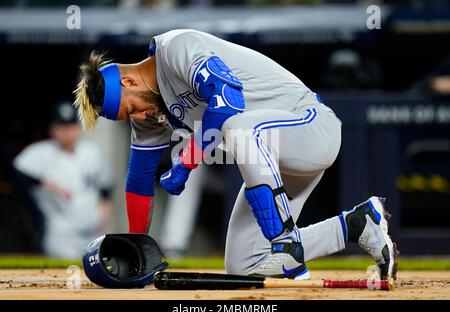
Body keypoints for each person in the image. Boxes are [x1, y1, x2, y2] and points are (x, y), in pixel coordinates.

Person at [74, 29, 397, 280]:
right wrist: (136, 249)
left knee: (236, 126)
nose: (140, 118)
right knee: (243, 265)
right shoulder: (151, 114)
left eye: (132, 109)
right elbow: (139, 181)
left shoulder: (176, 47)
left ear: (129, 81)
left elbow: (227, 101)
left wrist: (187, 161)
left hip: (312, 127)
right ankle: (357, 225)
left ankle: (286, 242)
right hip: (272, 159)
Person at [14, 101, 114, 259]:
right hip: (60, 237)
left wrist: (105, 210)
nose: (67, 131)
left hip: (93, 234)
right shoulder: (40, 153)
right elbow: (15, 174)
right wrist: (44, 183)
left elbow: (106, 185)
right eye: (61, 126)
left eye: (71, 125)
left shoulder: (91, 152)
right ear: (53, 129)